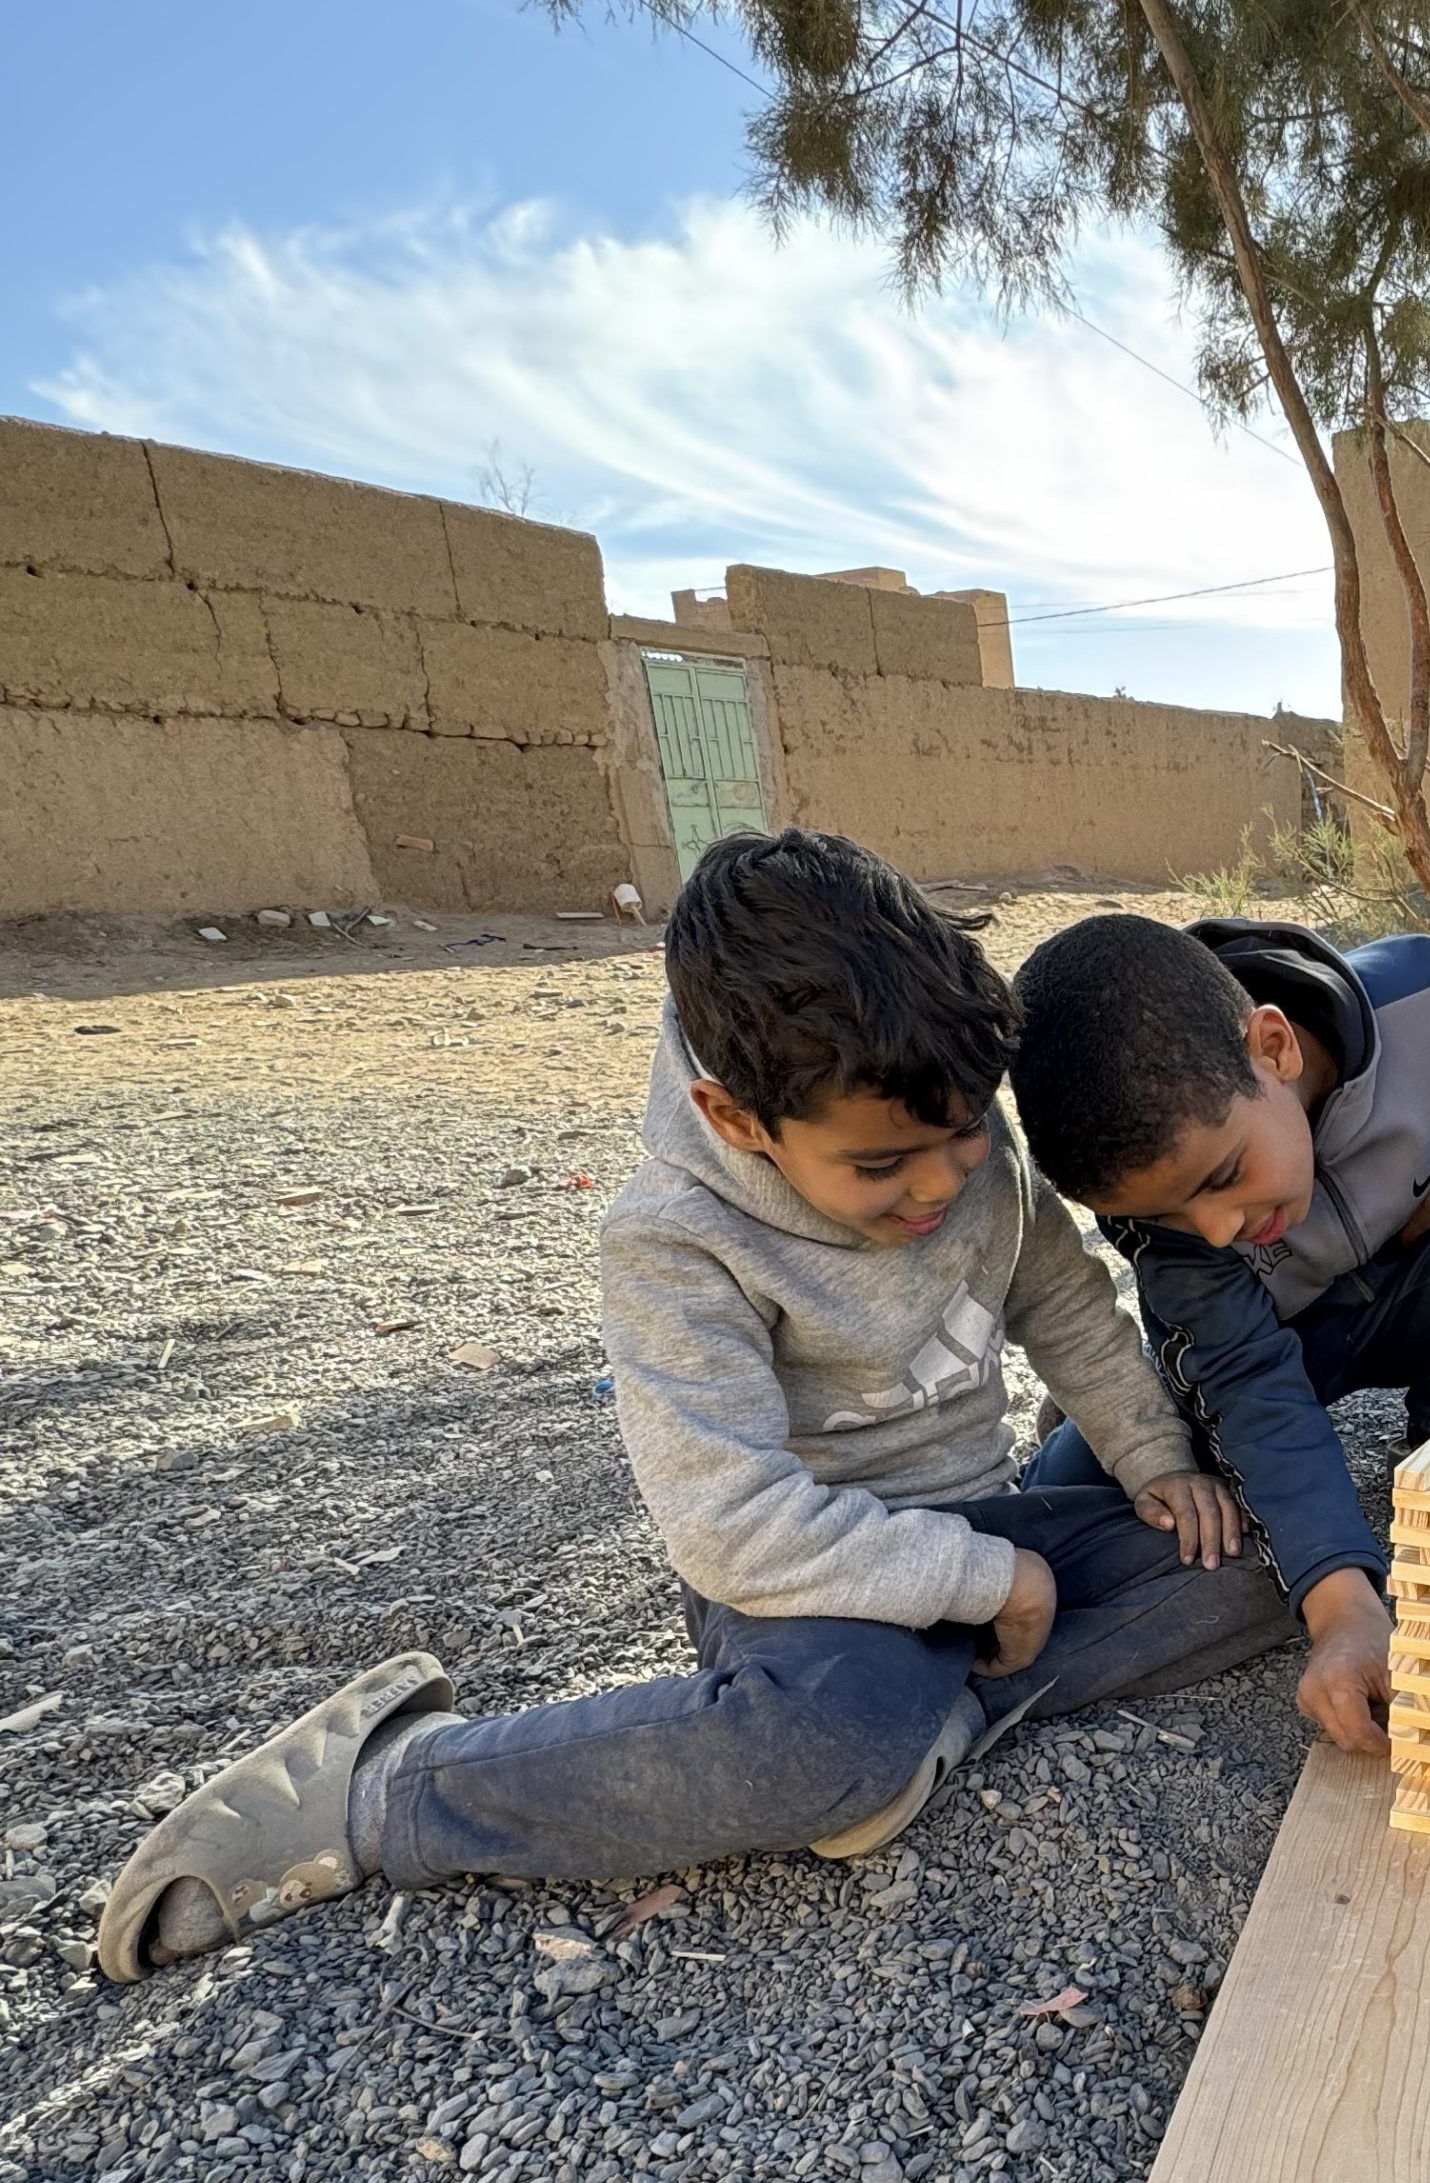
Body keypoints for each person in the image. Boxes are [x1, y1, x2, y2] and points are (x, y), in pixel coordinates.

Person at [97, 830, 1290, 1982]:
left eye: (966, 1134)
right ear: (736, 1119)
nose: (939, 1183)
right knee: (814, 1754)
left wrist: (1149, 1459)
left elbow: (1071, 1311)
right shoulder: (674, 1243)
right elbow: (731, 1529)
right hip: (807, 1580)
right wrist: (995, 1586)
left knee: (1263, 1561)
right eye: (881, 1167)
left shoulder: (945, 1127)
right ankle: (389, 1787)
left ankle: (939, 1716)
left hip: (976, 1521)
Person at [1007, 913, 1430, 1753]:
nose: (1215, 1232)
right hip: (1278, 1344)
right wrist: (1344, 1607)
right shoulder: (1176, 1194)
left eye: (1223, 1179)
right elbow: (1250, 1384)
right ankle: (1122, 1400)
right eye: (1171, 1217)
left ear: (1273, 1048)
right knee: (1099, 1477)